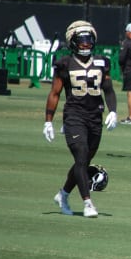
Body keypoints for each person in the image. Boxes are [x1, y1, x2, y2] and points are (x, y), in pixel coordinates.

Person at [44, 20, 118, 218]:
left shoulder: (102, 62)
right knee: (81, 154)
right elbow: (55, 93)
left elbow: (108, 90)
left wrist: (113, 110)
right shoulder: (64, 63)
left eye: (88, 40)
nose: (85, 44)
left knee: (84, 161)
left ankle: (63, 194)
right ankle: (87, 202)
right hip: (74, 116)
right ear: (73, 42)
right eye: (81, 40)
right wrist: (48, 120)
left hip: (95, 116)